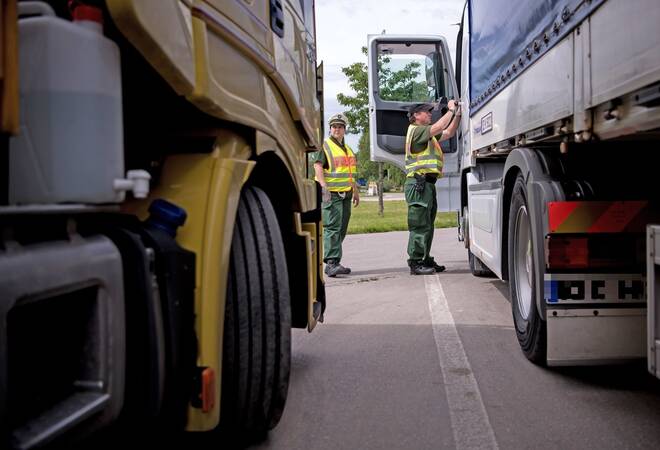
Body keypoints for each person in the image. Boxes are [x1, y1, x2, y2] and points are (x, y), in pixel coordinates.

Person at [404, 100, 461, 275]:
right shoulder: (417, 131)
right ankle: (415, 262)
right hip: (418, 184)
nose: (430, 114)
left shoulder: (426, 135)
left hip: (426, 185)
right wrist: (451, 109)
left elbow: (449, 132)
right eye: (426, 112)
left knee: (427, 225)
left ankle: (424, 258)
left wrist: (457, 114)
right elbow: (439, 126)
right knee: (420, 225)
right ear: (416, 116)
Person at [314, 113, 360, 277]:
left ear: (344, 129)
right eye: (334, 127)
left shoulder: (348, 149)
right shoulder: (325, 146)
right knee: (332, 227)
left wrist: (355, 190)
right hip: (331, 194)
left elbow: (350, 173)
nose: (337, 129)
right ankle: (332, 263)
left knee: (341, 227)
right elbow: (318, 166)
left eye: (340, 127)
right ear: (330, 129)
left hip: (346, 194)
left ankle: (333, 260)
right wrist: (323, 186)